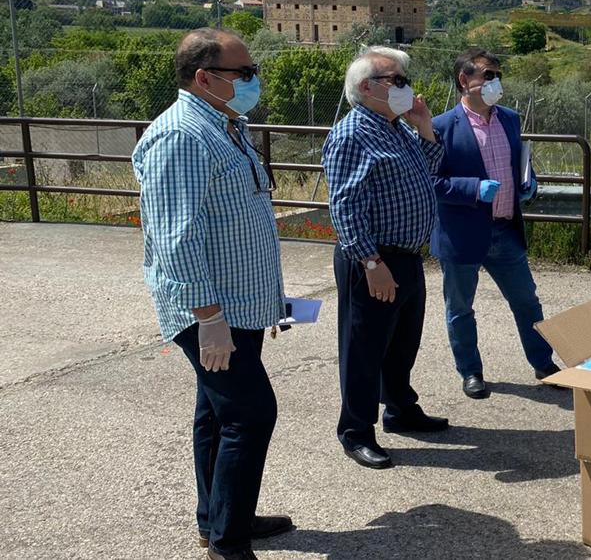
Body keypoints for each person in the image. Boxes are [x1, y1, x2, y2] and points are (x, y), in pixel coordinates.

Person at [132, 28, 292, 560]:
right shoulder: (182, 136)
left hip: (237, 305)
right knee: (250, 413)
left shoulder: (225, 125)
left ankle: (221, 517)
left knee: (217, 414)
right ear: (204, 78)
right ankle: (228, 544)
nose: (254, 81)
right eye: (244, 73)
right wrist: (210, 318)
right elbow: (177, 238)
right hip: (211, 308)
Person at [322, 46, 450, 471]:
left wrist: (425, 126)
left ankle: (400, 408)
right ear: (365, 87)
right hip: (374, 261)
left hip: (408, 256)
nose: (406, 87)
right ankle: (356, 431)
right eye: (396, 81)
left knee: (402, 342)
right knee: (364, 349)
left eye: (404, 79)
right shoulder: (351, 134)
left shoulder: (397, 128)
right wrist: (371, 264)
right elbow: (345, 207)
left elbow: (429, 168)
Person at [431, 48, 558, 400]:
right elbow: (431, 181)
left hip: (504, 230)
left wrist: (528, 183)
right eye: (487, 75)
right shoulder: (441, 127)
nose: (495, 82)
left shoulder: (510, 119)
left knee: (528, 303)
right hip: (462, 234)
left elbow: (519, 164)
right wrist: (473, 189)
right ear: (464, 80)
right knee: (460, 308)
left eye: (497, 75)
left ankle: (544, 364)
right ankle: (471, 372)